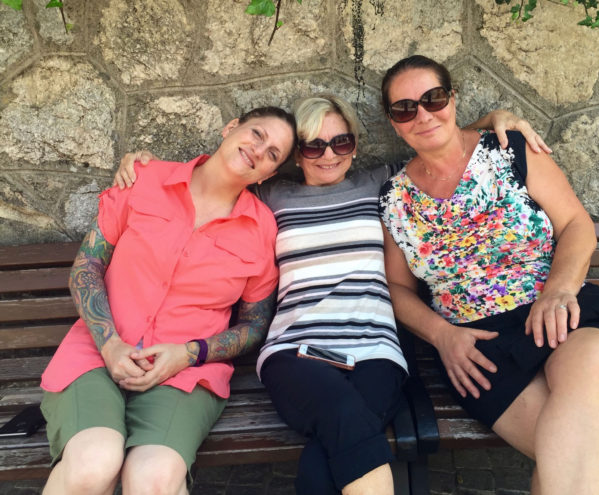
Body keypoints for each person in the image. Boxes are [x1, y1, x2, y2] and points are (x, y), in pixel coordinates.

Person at [115, 98, 548, 495]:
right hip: (293, 350)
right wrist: (143, 165)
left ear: (355, 147)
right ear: (294, 155)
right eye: (313, 146)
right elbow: (215, 177)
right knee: (346, 417)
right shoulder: (270, 196)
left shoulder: (382, 183)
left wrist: (492, 120)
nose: (329, 154)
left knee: (336, 443)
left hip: (376, 349)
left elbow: (437, 143)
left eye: (341, 142)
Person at [378, 55, 599, 495]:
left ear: (452, 98)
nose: (422, 114)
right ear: (394, 122)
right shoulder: (394, 199)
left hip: (558, 314)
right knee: (568, 462)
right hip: (476, 348)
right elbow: (398, 288)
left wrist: (559, 290)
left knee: (591, 370)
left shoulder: (509, 150)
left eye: (433, 98)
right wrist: (441, 335)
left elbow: (576, 224)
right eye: (405, 109)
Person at [39, 106, 297, 495]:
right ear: (231, 128)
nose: (259, 150)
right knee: (93, 465)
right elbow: (86, 266)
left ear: (269, 174)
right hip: (97, 351)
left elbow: (255, 325)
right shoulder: (144, 178)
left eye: (273, 154)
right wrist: (110, 344)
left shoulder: (261, 229)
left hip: (185, 374)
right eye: (257, 134)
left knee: (154, 480)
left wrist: (188, 353)